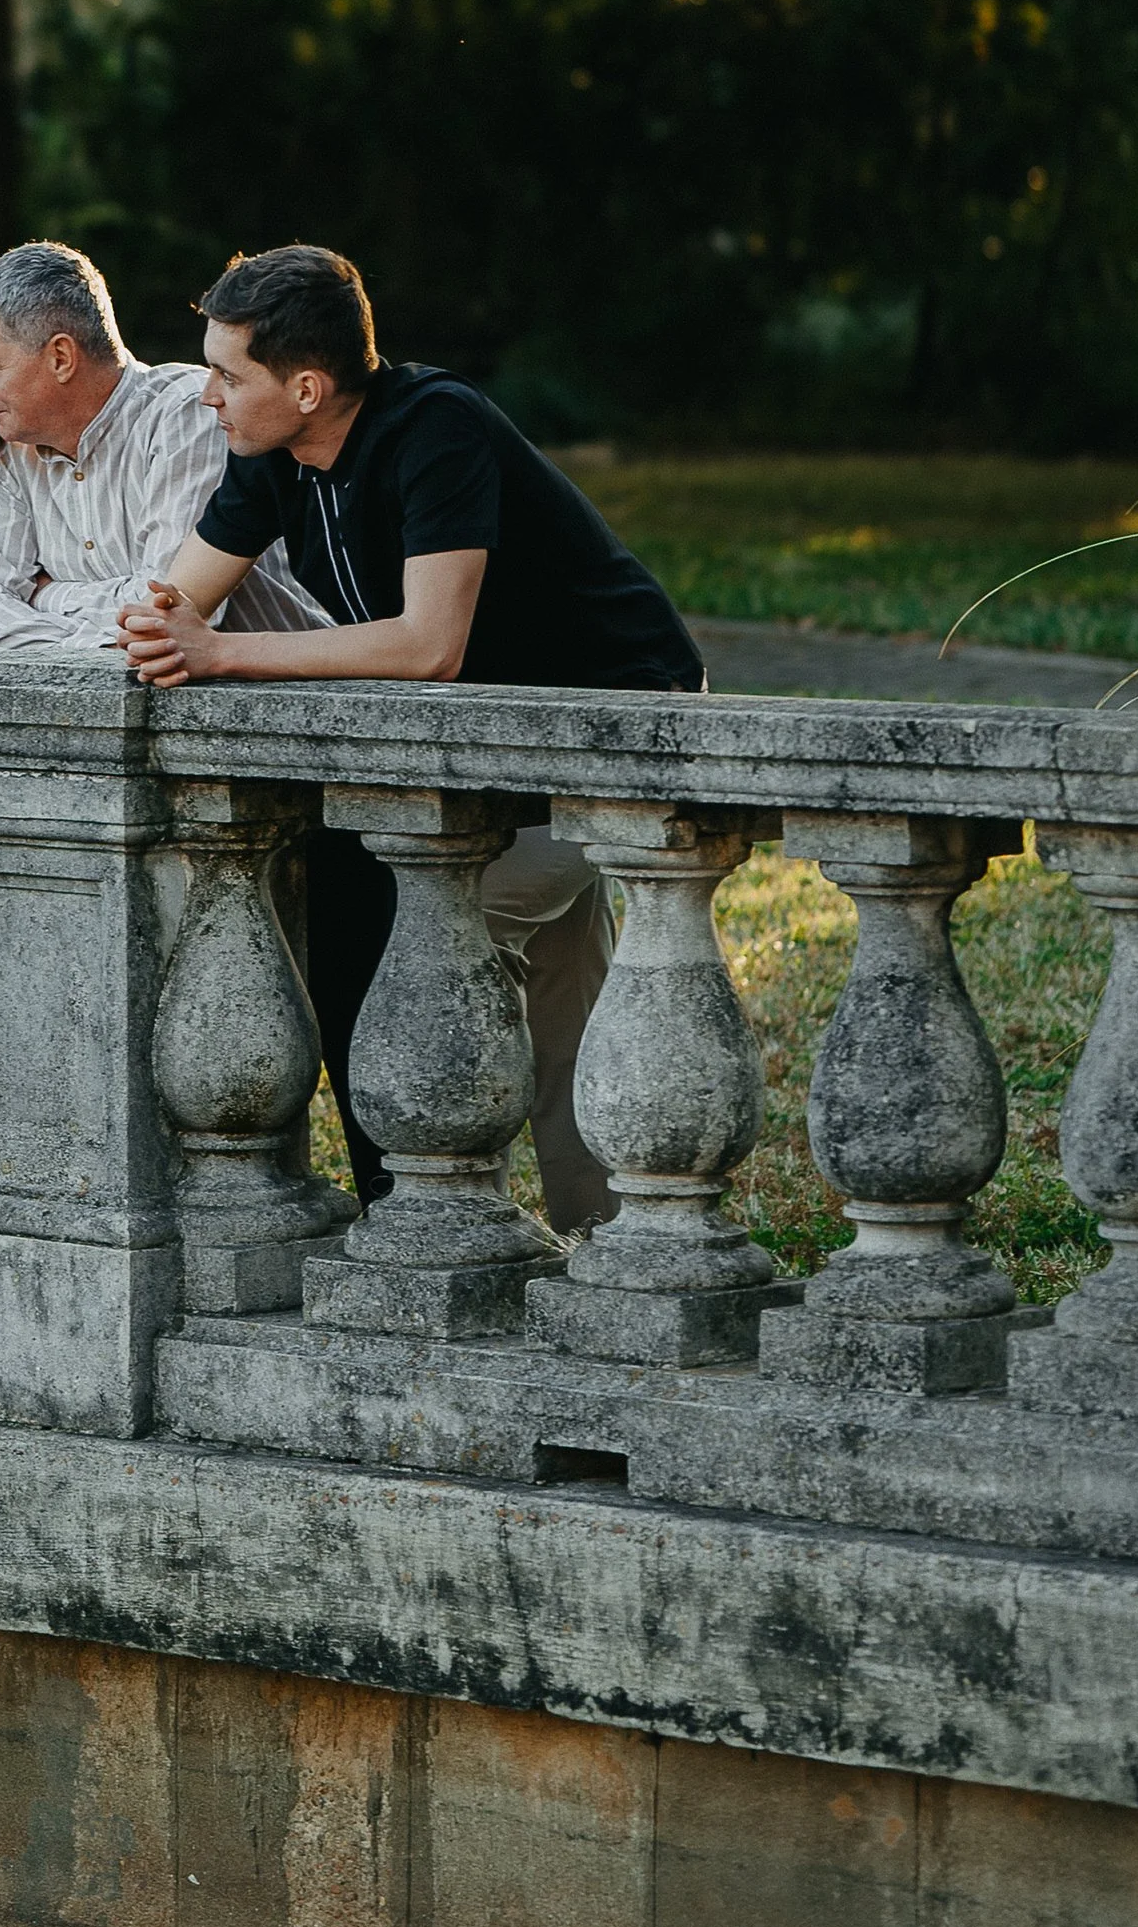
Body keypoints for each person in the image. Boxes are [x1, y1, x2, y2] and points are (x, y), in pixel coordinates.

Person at [118, 240, 705, 1236]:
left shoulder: (437, 426)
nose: (207, 394)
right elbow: (169, 603)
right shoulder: (272, 457)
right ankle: (606, 1234)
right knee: (568, 985)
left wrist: (216, 655)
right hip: (491, 759)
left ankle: (426, 1219)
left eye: (227, 372)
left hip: (619, 738)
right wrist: (156, 627)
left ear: (306, 385)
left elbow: (429, 645)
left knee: (406, 919)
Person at [0, 242, 331, 656]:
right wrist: (92, 642)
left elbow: (173, 613)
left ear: (60, 357)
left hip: (284, 706)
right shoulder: (16, 452)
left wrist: (43, 597)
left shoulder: (187, 414)